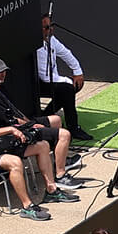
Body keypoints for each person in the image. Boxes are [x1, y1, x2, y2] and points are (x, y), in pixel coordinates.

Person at [0, 74, 80, 218]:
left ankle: (52, 190)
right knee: (14, 162)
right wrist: (10, 130)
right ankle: (27, 206)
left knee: (43, 145)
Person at [0, 56, 86, 170]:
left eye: (3, 71)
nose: (2, 74)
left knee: (56, 119)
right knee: (64, 134)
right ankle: (60, 174)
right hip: (15, 130)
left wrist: (30, 122)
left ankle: (60, 159)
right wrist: (31, 125)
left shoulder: (1, 88)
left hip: (23, 123)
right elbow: (10, 120)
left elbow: (17, 112)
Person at [32, 13, 96, 141]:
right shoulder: (37, 47)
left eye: (51, 26)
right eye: (46, 27)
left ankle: (46, 116)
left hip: (52, 79)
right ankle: (73, 127)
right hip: (39, 82)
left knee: (70, 87)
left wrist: (78, 72)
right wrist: (68, 81)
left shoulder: (52, 39)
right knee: (67, 89)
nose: (50, 29)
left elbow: (66, 53)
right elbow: (45, 76)